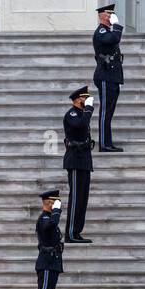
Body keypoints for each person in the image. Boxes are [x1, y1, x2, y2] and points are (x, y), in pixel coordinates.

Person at [63, 86, 96, 244]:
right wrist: (89, 109)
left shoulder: (83, 114)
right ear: (77, 99)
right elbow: (80, 125)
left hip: (84, 159)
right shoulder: (72, 114)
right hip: (75, 159)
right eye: (84, 97)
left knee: (83, 198)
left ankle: (77, 231)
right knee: (76, 198)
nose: (86, 100)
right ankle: (70, 233)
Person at [93, 3, 125, 152]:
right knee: (105, 112)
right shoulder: (101, 31)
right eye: (108, 13)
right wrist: (117, 25)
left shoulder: (107, 31)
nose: (111, 16)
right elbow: (113, 40)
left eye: (112, 14)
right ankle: (104, 144)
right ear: (101, 16)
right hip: (105, 76)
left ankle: (108, 143)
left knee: (109, 112)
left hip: (112, 76)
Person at [34, 189, 65, 289]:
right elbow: (49, 226)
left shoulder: (49, 217)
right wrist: (57, 212)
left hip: (52, 263)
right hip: (46, 263)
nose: (56, 205)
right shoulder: (45, 218)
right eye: (55, 202)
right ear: (49, 202)